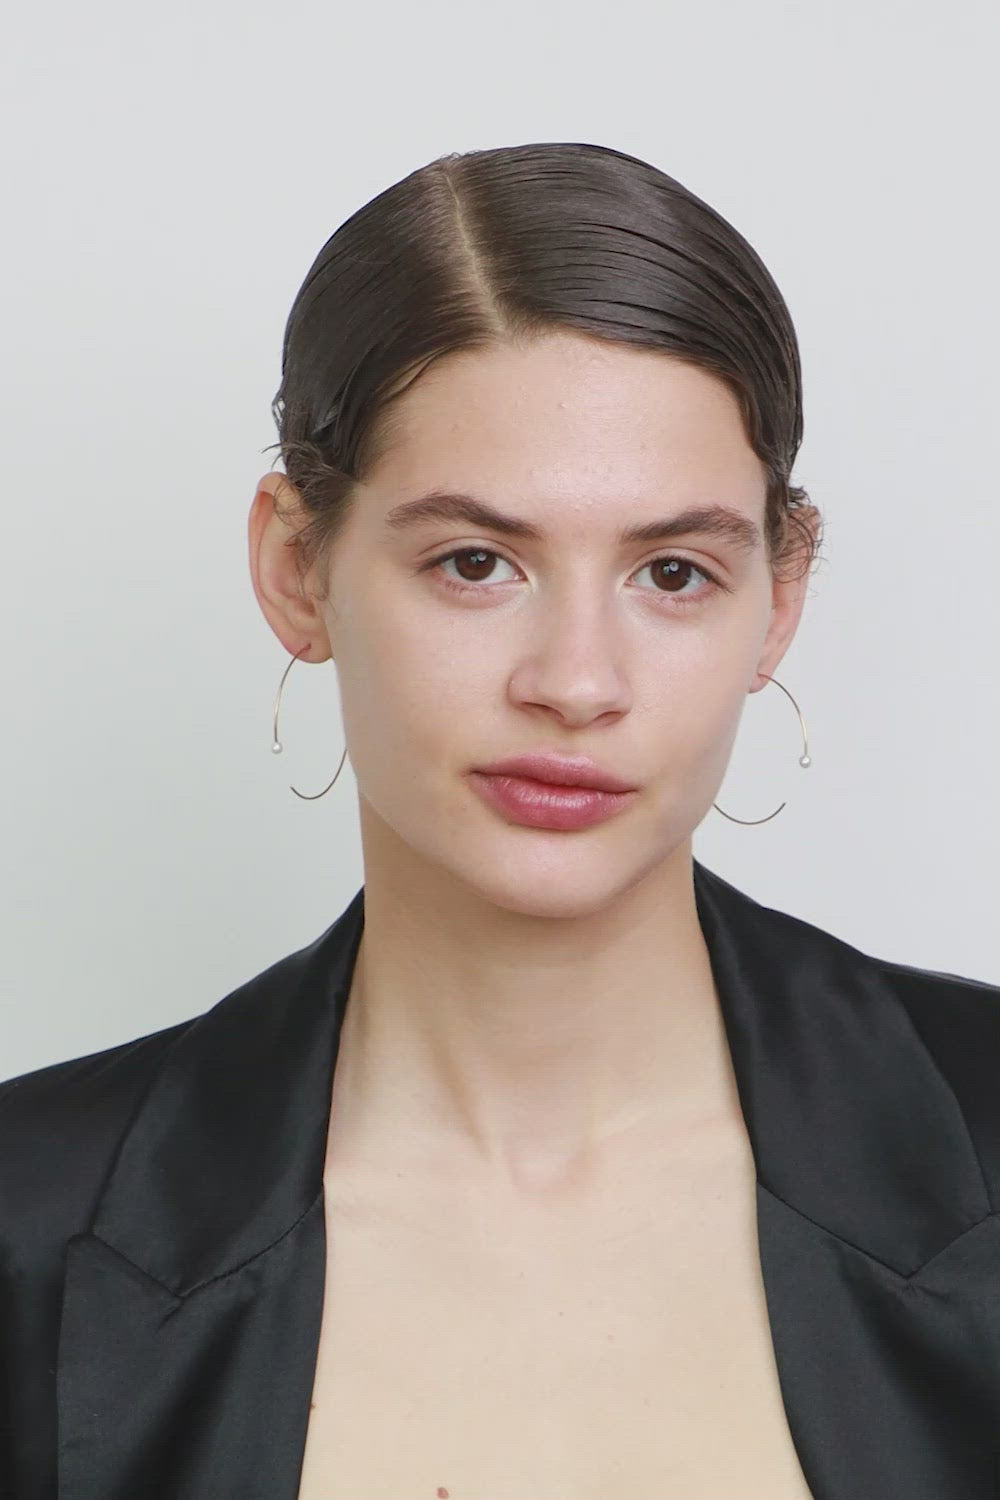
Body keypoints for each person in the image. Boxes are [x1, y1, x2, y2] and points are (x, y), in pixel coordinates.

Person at [2, 142, 998, 1500]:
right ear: (296, 567)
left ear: (781, 596)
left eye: (672, 572)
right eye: (476, 562)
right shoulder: (31, 1225)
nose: (576, 683)